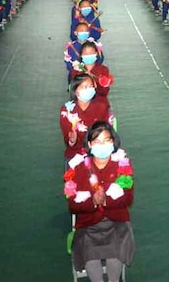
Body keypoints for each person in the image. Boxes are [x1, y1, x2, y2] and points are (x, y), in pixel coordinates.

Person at [65, 121, 135, 282]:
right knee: (90, 252)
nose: (102, 145)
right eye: (97, 141)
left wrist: (104, 202)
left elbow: (128, 199)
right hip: (88, 225)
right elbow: (73, 205)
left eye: (106, 140)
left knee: (115, 250)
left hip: (116, 222)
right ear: (90, 144)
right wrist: (92, 202)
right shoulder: (78, 168)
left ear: (113, 142)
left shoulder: (122, 165)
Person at [60, 74, 115, 160]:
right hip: (76, 153)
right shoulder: (67, 111)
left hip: (98, 150)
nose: (89, 89)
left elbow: (106, 131)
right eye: (84, 87)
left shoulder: (102, 107)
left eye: (91, 86)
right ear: (76, 90)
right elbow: (68, 140)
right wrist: (72, 140)